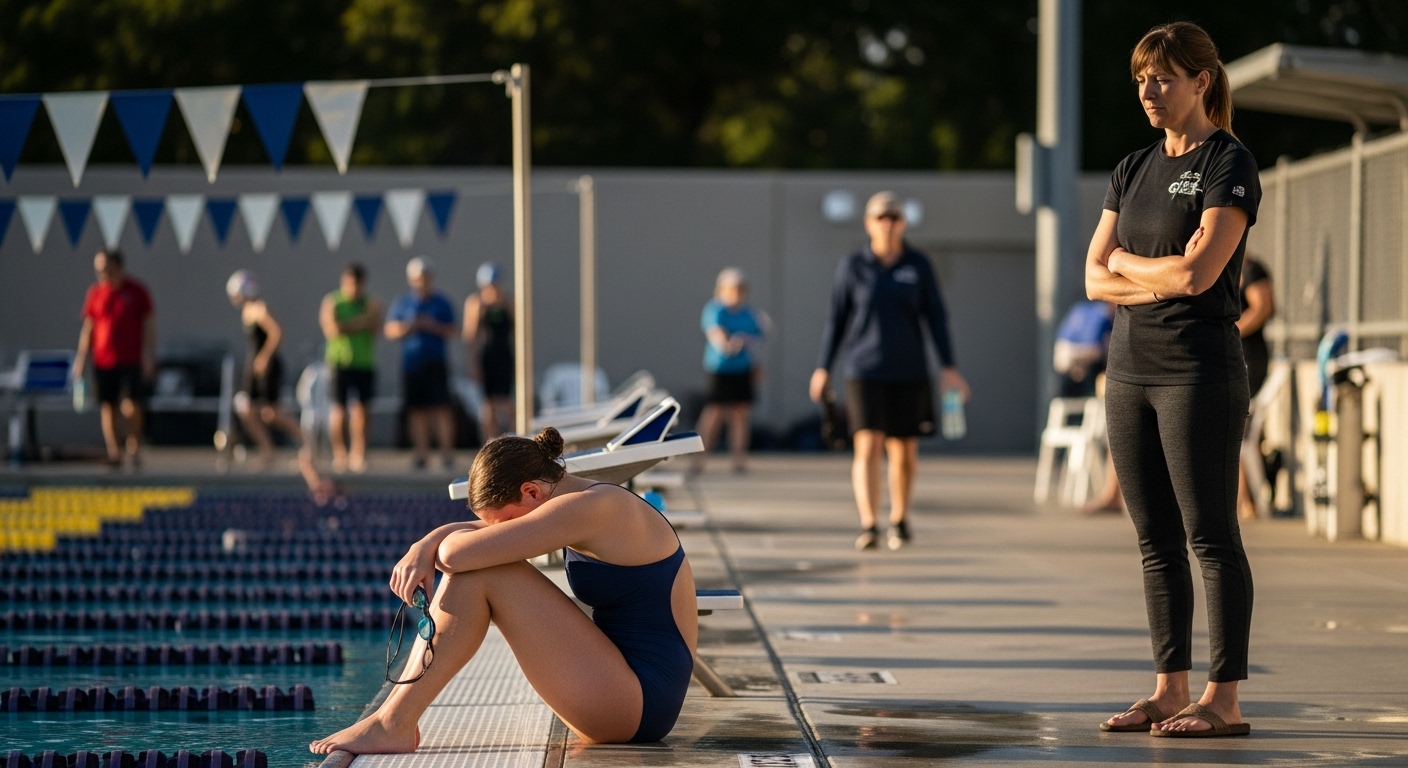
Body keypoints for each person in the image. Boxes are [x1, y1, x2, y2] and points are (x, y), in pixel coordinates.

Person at [309, 427, 697, 755]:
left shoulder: (593, 507)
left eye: (505, 523)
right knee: (482, 565)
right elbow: (469, 541)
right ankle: (391, 719)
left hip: (638, 703)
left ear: (531, 492)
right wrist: (423, 544)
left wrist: (431, 547)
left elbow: (459, 553)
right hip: (619, 689)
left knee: (483, 572)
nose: (502, 531)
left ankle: (393, 722)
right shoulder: (576, 503)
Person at [1088, 22, 1260, 737]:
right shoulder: (1132, 167)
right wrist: (1146, 276)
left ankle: (1224, 699)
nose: (1148, 91)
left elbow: (1201, 274)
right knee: (1154, 539)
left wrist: (1133, 265)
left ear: (1201, 81)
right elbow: (1094, 277)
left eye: (1162, 77)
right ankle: (1168, 688)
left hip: (1198, 372)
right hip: (1129, 372)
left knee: (1211, 537)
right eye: (1140, 79)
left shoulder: (1229, 161)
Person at [809, 191, 969, 552]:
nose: (888, 223)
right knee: (866, 444)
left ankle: (899, 518)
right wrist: (822, 367)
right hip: (863, 369)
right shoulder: (853, 266)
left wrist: (949, 367)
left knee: (904, 449)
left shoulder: (918, 264)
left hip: (909, 369)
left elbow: (937, 318)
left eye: (894, 217)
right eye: (881, 217)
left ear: (903, 223)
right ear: (868, 223)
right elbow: (836, 320)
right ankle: (869, 524)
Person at [73, 250, 155, 471]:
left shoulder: (136, 291)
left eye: (105, 269)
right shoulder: (96, 293)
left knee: (132, 406)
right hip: (103, 360)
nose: (101, 274)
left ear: (117, 267)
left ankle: (133, 444)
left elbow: (149, 326)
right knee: (108, 406)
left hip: (131, 359)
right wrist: (81, 358)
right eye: (98, 270)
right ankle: (114, 452)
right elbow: (88, 328)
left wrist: (149, 355)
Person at [225, 270, 306, 470]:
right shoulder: (248, 311)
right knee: (247, 410)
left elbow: (277, 332)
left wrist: (265, 357)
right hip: (254, 366)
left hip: (266, 366)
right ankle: (267, 451)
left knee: (271, 412)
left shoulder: (260, 308)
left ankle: (307, 441)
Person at [385, 257, 458, 471]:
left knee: (441, 409)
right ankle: (421, 452)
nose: (422, 282)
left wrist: (432, 326)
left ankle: (446, 453)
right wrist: (411, 326)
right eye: (418, 278)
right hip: (412, 364)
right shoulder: (404, 303)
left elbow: (453, 329)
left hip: (435, 362)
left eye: (425, 278)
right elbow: (390, 330)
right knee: (417, 410)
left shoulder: (441, 302)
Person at [693, 268, 766, 474]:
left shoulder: (749, 313)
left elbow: (758, 338)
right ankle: (699, 460)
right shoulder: (715, 309)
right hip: (720, 370)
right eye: (731, 290)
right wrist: (729, 343)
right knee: (713, 413)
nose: (736, 294)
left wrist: (753, 359)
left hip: (742, 370)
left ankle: (738, 460)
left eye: (739, 290)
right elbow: (716, 334)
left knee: (740, 415)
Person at [319, 263, 382, 474]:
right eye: (349, 283)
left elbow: (375, 327)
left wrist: (349, 325)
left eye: (356, 284)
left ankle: (359, 453)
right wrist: (361, 322)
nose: (352, 288)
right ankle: (340, 454)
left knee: (363, 411)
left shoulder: (370, 302)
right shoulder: (333, 302)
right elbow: (333, 330)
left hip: (364, 363)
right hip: (339, 363)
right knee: (338, 410)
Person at [1236, 256, 1275, 519]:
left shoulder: (1250, 268)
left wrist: (1230, 332)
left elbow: (1262, 307)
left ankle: (1245, 499)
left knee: (1234, 426)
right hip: (1231, 357)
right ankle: (1242, 499)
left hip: (1249, 359)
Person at [462, 263, 514, 441]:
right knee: (488, 404)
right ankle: (490, 442)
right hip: (487, 356)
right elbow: (470, 337)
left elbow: (520, 333)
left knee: (508, 402)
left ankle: (513, 440)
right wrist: (473, 364)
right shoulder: (476, 304)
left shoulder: (508, 303)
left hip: (505, 355)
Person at [1053, 300, 1114, 398]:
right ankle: (1094, 393)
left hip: (1062, 352)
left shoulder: (1080, 307)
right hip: (1082, 351)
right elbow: (1093, 341)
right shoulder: (1104, 310)